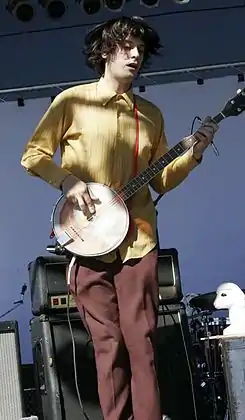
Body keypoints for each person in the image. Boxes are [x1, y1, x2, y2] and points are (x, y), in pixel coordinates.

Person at [21, 16, 218, 420]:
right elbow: (33, 156)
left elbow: (162, 178)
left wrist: (194, 154)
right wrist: (68, 182)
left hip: (138, 240)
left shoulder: (150, 114)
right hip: (87, 239)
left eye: (141, 51)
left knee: (141, 342)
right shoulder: (71, 101)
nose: (135, 55)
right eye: (127, 47)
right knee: (107, 343)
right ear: (105, 51)